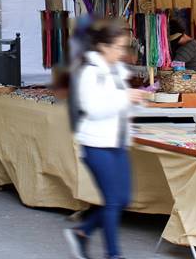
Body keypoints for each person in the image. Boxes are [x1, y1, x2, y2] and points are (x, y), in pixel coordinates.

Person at [64, 18, 146, 259]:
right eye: (119, 47)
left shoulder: (117, 71)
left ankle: (82, 232)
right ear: (104, 46)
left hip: (117, 142)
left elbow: (119, 108)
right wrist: (126, 98)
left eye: (124, 47)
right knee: (112, 200)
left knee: (123, 199)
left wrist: (136, 103)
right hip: (95, 143)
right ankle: (113, 254)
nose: (122, 52)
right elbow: (93, 108)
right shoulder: (90, 72)